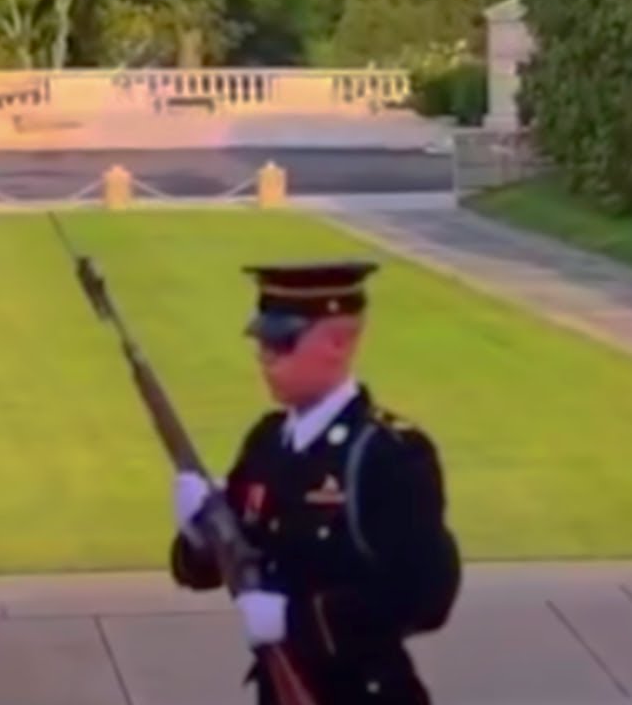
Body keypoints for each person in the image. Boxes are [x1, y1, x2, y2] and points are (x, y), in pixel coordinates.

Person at [168, 260, 461, 705]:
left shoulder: (389, 456)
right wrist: (200, 532)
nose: (265, 355)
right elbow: (225, 561)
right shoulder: (267, 442)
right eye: (263, 340)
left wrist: (295, 620)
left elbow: (425, 597)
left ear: (338, 343)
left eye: (282, 341)